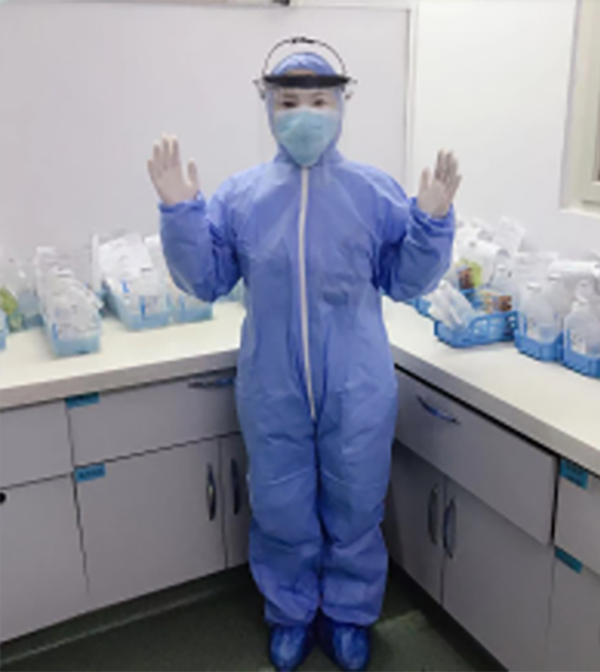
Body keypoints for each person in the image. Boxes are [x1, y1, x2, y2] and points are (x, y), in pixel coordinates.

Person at [148, 37, 460, 672]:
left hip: (357, 380)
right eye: (289, 101)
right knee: (280, 503)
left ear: (342, 105)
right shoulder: (241, 196)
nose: (305, 114)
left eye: (319, 101)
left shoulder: (372, 192)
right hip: (273, 382)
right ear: (267, 105)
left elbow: (405, 281)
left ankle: (348, 614)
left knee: (356, 501)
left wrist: (430, 224)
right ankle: (290, 613)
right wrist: (181, 214)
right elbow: (206, 279)